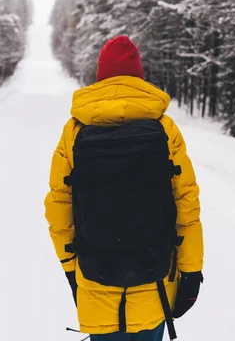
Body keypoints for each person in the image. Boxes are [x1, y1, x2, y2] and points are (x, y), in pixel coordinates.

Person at [45, 35, 204, 341]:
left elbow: (59, 204)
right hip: (154, 280)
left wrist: (69, 266)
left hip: (96, 278)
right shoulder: (164, 129)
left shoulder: (75, 130)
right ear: (139, 77)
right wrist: (191, 270)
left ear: (100, 76)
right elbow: (186, 201)